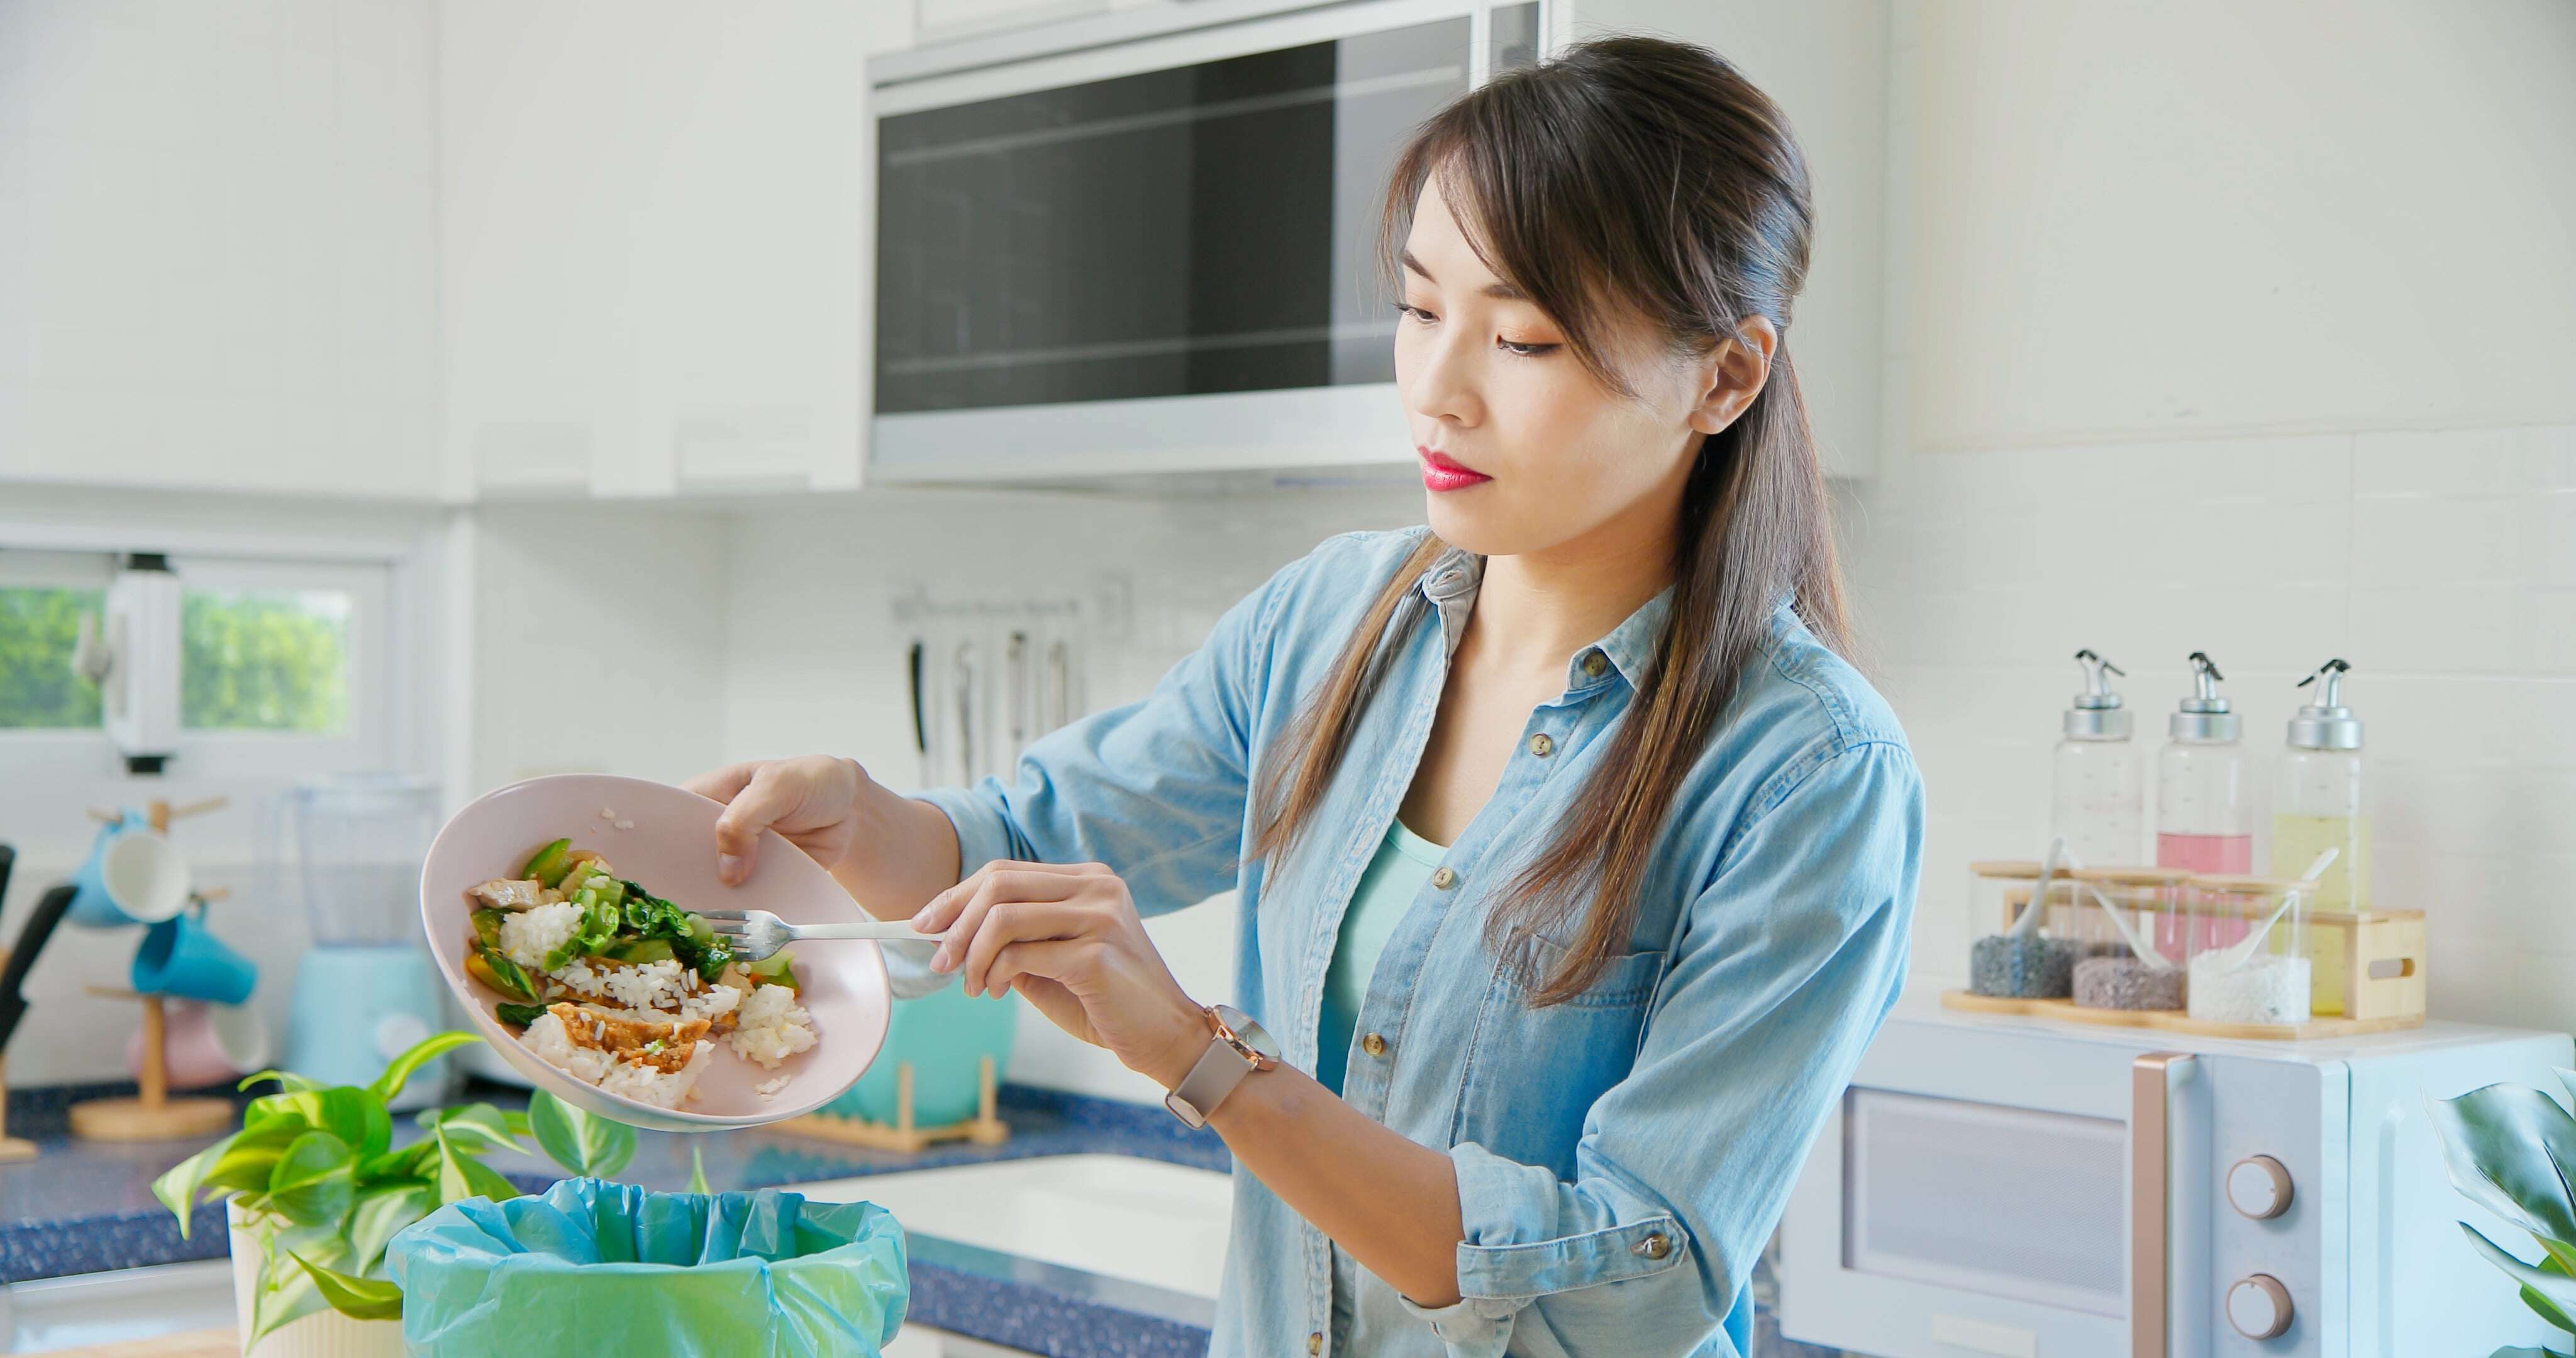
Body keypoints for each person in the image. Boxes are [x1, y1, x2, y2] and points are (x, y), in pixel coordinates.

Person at [691, 34, 1922, 1358]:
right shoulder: (1329, 625)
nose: (1436, 390)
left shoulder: (1804, 772)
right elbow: (1020, 843)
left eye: (1521, 337)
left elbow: (1630, 1280)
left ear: (1724, 376)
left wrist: (1201, 1058)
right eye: (1416, 308)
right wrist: (852, 817)